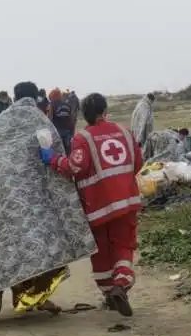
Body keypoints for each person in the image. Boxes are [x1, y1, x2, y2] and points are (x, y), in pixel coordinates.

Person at [0, 81, 96, 322]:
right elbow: (55, 157)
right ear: (36, 97)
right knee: (38, 247)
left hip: (0, 202)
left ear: (14, 96)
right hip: (34, 204)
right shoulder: (40, 121)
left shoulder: (0, 124)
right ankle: (32, 297)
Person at [40, 93, 143, 317]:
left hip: (97, 207)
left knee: (102, 253)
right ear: (105, 110)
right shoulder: (125, 132)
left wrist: (53, 159)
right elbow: (138, 163)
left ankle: (109, 294)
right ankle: (121, 285)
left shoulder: (83, 138)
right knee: (124, 246)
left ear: (83, 115)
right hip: (127, 201)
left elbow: (76, 167)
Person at [48, 88, 74, 153]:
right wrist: (72, 131)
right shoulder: (68, 105)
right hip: (68, 131)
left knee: (58, 151)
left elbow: (50, 118)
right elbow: (72, 119)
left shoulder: (52, 104)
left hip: (57, 131)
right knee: (68, 150)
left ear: (52, 96)